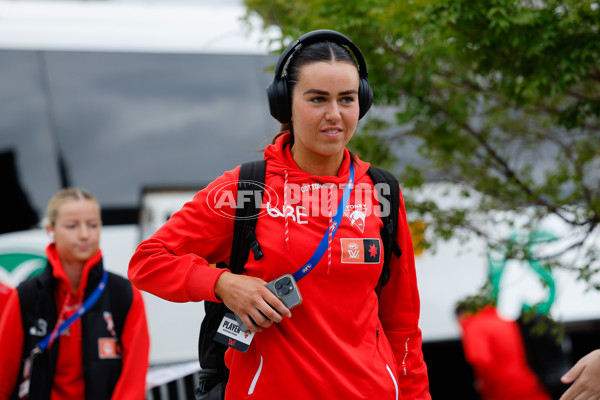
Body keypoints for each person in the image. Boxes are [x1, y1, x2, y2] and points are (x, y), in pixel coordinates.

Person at [128, 29, 430, 399]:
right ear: (285, 104)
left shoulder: (382, 192)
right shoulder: (245, 189)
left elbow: (402, 327)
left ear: (362, 103)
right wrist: (223, 284)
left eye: (346, 99)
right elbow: (147, 262)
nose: (334, 115)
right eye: (317, 99)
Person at [0, 188, 150, 400]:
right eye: (72, 225)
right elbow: (3, 379)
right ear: (50, 230)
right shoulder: (27, 296)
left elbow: (133, 383)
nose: (84, 234)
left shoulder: (124, 295)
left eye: (93, 224)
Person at [455, 304, 552, 400]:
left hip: (504, 389)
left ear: (462, 315)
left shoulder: (474, 327)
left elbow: (482, 363)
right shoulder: (503, 321)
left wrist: (484, 389)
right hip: (528, 382)